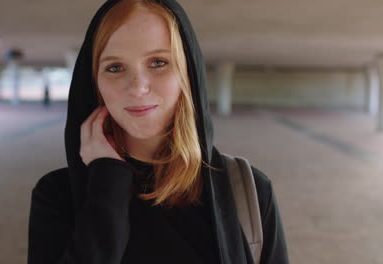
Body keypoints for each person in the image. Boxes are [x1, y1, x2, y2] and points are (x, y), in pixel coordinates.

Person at [27, 0, 289, 263]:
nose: (138, 87)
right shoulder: (57, 196)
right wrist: (107, 181)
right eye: (115, 67)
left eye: (158, 62)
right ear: (94, 83)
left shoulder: (247, 190)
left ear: (187, 72)